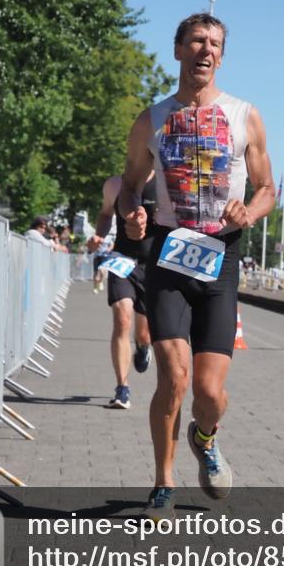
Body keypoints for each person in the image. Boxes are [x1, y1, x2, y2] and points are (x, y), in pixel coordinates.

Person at [118, 12, 275, 519]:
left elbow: (268, 188)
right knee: (174, 376)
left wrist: (248, 211)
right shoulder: (153, 118)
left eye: (215, 45)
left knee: (209, 392)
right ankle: (163, 480)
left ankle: (204, 438)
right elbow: (128, 186)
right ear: (179, 50)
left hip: (221, 258)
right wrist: (132, 215)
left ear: (222, 57)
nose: (206, 51)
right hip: (169, 253)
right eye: (197, 42)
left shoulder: (244, 115)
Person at [86, 172, 159, 409]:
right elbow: (106, 214)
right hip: (122, 259)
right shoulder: (115, 184)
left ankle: (142, 347)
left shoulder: (167, 182)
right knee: (122, 319)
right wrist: (99, 235)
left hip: (153, 266)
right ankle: (122, 388)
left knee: (144, 333)